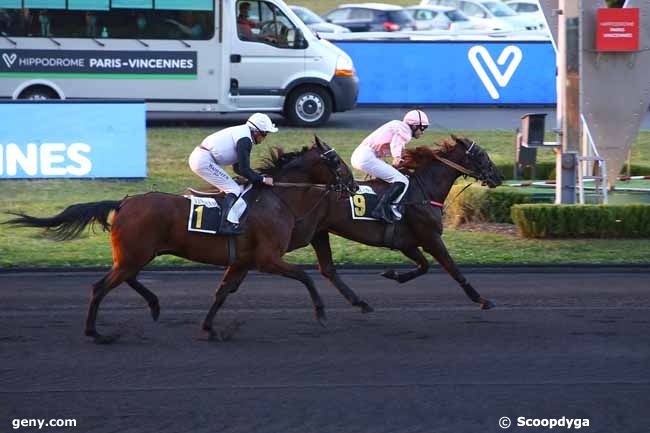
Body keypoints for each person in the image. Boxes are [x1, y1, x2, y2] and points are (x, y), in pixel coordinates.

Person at [188, 113, 278, 235]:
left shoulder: (244, 134)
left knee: (233, 186)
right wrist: (262, 180)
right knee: (233, 189)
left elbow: (238, 168)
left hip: (202, 158)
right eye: (265, 134)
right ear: (257, 132)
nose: (265, 138)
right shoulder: (245, 140)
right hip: (203, 161)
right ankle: (224, 225)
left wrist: (255, 177)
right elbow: (244, 169)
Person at [350, 110, 429, 223]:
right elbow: (395, 144)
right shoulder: (405, 130)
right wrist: (397, 158)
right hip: (366, 157)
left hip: (363, 155)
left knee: (395, 177)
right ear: (415, 126)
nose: (423, 132)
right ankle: (382, 209)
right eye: (423, 128)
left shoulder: (399, 126)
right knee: (402, 181)